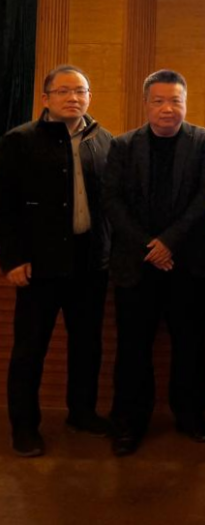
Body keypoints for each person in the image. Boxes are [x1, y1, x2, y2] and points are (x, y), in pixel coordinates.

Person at [104, 70, 205, 456]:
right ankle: (129, 422)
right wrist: (149, 246)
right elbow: (112, 201)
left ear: (185, 103)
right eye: (158, 101)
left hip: (189, 263)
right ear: (146, 104)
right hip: (136, 264)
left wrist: (169, 242)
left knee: (190, 344)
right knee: (133, 348)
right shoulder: (123, 145)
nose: (167, 108)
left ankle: (190, 415)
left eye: (175, 101)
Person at [0, 65, 113, 457]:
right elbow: (5, 207)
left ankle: (81, 413)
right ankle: (24, 427)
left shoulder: (103, 140)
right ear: (45, 98)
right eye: (63, 91)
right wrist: (13, 259)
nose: (73, 98)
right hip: (40, 265)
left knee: (87, 345)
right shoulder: (19, 141)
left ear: (89, 97)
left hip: (90, 263)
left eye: (80, 91)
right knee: (30, 349)